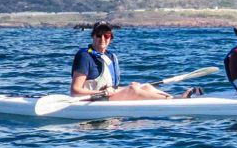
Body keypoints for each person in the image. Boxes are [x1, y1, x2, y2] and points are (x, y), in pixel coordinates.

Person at [71, 21, 201, 100]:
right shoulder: (84, 57)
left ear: (111, 38)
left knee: (144, 86)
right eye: (99, 35)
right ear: (93, 36)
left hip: (108, 96)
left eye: (107, 35)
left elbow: (112, 87)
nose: (102, 39)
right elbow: (75, 91)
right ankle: (174, 102)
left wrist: (126, 88)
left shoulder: (110, 57)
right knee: (133, 91)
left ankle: (175, 98)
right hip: (93, 100)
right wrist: (103, 92)